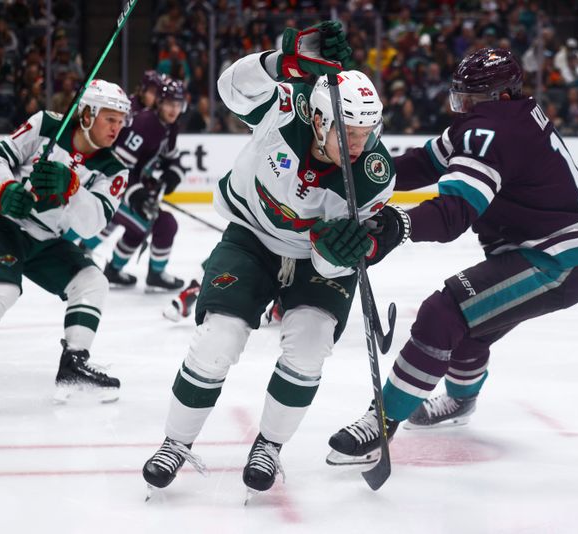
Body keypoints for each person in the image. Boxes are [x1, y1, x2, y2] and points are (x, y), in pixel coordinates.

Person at [325, 47, 578, 465]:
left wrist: (396, 226)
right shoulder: (507, 117)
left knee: (443, 313)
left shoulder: (490, 133)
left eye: (470, 99)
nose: (461, 107)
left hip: (556, 258)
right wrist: (360, 173)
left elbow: (453, 216)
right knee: (469, 325)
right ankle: (461, 402)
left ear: (500, 96)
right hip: (561, 249)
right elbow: (425, 162)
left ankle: (382, 421)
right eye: (460, 97)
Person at [141, 21, 395, 495]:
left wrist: (340, 252)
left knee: (310, 344)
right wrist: (280, 63)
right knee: (218, 339)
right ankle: (176, 442)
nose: (358, 145)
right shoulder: (285, 108)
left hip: (311, 256)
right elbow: (229, 90)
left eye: (365, 133)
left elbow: (338, 259)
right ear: (319, 119)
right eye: (347, 133)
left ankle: (270, 446)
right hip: (252, 236)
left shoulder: (374, 175)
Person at [0, 79, 129, 403]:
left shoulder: (114, 170)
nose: (116, 128)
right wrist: (4, 189)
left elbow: (93, 225)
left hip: (45, 239)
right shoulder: (47, 124)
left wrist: (73, 189)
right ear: (87, 114)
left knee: (92, 281)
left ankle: (74, 367)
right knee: (2, 287)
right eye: (110, 118)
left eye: (120, 121)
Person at [77, 77, 188, 291]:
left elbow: (170, 158)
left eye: (178, 104)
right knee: (154, 223)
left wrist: (172, 173)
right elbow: (119, 167)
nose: (174, 109)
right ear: (159, 103)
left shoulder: (169, 126)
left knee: (149, 224)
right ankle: (145, 272)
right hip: (109, 187)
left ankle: (110, 266)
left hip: (125, 188)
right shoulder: (145, 124)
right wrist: (138, 194)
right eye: (169, 103)